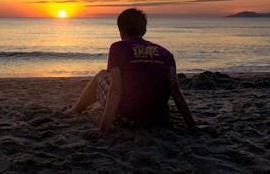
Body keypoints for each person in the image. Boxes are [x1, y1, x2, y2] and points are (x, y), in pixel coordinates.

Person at [66, 8, 201, 139]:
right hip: (159, 118)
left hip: (128, 118)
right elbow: (175, 91)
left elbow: (115, 89)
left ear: (121, 31)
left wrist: (103, 129)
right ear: (144, 30)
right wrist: (193, 127)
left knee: (102, 74)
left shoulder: (117, 48)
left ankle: (76, 110)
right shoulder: (165, 53)